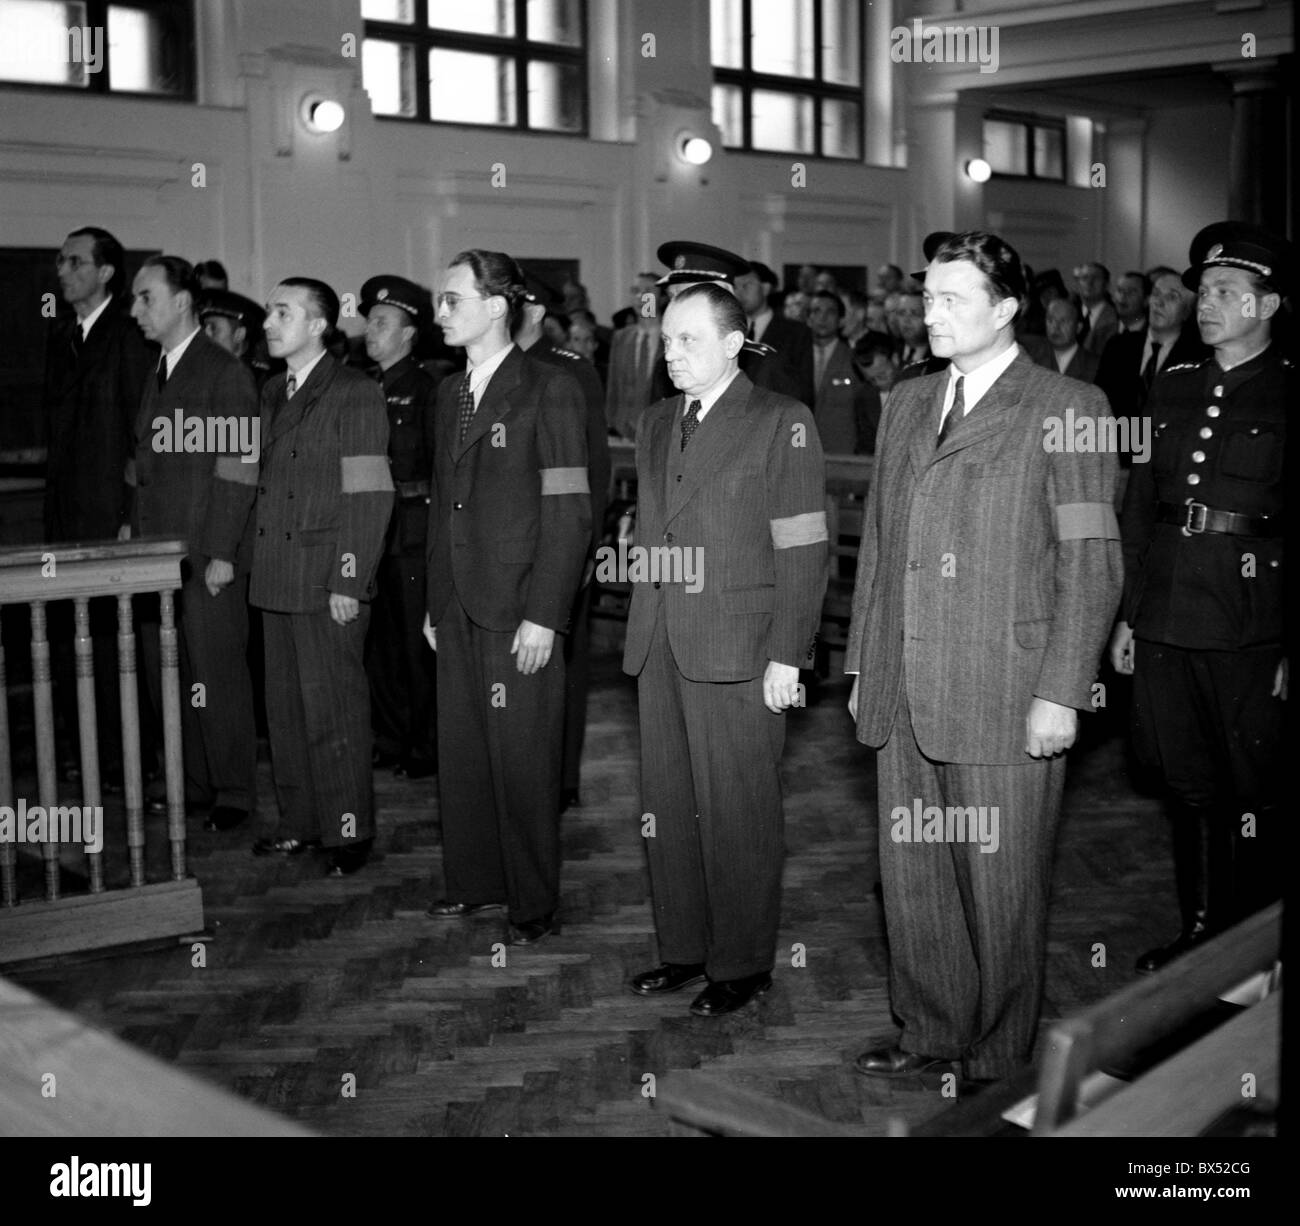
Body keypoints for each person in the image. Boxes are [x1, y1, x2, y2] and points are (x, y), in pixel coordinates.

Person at [846, 230, 1122, 1085]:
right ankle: (929, 1029)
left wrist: (1063, 690)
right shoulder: (905, 403)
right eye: (926, 297)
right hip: (904, 684)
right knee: (916, 876)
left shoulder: (1068, 403)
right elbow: (882, 551)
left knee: (1001, 890)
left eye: (951, 298)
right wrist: (862, 667)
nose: (930, 313)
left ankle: (1001, 1057)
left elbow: (1092, 559)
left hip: (1006, 687)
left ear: (1005, 310)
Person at [624, 282, 827, 1017]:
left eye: (689, 340)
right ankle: (684, 947)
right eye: (666, 340)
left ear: (734, 342)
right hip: (661, 640)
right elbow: (654, 530)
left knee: (738, 809)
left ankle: (741, 964)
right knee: (669, 807)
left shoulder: (781, 421)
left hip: (741, 648)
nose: (672, 355)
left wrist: (788, 655)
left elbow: (805, 549)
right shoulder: (653, 422)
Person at [1111, 221, 1291, 973]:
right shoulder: (1174, 384)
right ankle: (1202, 933)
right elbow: (1142, 502)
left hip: (1251, 624)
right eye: (1203, 290)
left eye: (1226, 292)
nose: (1206, 302)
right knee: (1186, 783)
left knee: (1253, 787)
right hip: (1168, 616)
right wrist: (1126, 614)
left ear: (1268, 303)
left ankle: (1255, 948)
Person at [423, 250, 591, 946]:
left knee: (523, 755)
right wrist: (435, 599)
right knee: (463, 749)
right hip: (460, 600)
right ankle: (477, 880)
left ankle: (531, 897)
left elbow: (571, 511)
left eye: (452, 300)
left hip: (519, 602)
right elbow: (443, 507)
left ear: (496, 306)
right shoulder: (447, 393)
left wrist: (545, 614)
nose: (441, 312)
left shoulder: (549, 388)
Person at [249, 277, 394, 876]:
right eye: (268, 312)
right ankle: (300, 822)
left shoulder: (354, 392)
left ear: (318, 326)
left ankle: (347, 831)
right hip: (277, 576)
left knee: (333, 712)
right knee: (285, 714)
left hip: (326, 579)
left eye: (283, 312)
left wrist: (348, 579)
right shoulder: (270, 390)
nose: (268, 323)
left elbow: (370, 495)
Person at [125, 255, 259, 832]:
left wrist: (225, 551)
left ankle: (233, 789)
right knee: (169, 673)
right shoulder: (157, 368)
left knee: (216, 673)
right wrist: (132, 528)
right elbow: (145, 466)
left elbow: (238, 468)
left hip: (206, 554)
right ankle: (192, 779)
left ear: (182, 302)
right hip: (158, 554)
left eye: (146, 297)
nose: (136, 310)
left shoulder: (223, 372)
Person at [43, 226, 152, 786]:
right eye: (61, 261)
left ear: (107, 272)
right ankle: (80, 750)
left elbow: (142, 436)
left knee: (111, 648)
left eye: (75, 261)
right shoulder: (63, 336)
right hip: (64, 520)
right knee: (66, 640)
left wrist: (131, 516)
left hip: (110, 517)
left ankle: (122, 761)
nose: (63, 270)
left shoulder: (129, 336)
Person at [514, 269, 612, 813]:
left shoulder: (569, 371)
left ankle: (561, 777)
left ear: (533, 311)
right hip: (508, 548)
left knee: (564, 670)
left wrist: (582, 552)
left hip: (561, 543)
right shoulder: (493, 369)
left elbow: (592, 472)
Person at [359, 274, 441, 781]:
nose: (371, 331)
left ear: (409, 334)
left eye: (383, 323)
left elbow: (438, 470)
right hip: (372, 533)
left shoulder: (427, 389)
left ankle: (426, 746)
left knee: (416, 648)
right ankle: (390, 736)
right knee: (380, 646)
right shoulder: (364, 387)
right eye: (369, 321)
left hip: (412, 532)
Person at [806, 289, 881, 454]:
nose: (823, 318)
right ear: (808, 319)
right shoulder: (795, 359)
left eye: (830, 312)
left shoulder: (854, 359)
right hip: (800, 451)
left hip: (840, 455)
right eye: (816, 311)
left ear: (841, 320)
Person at [734, 260, 815, 406]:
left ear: (765, 288)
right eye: (735, 287)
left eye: (746, 285)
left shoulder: (796, 333)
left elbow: (804, 389)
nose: (739, 292)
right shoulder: (729, 331)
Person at [1045, 295, 1100, 382]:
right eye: (1051, 320)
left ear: (1078, 327)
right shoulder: (1031, 356)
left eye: (1063, 321)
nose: (1055, 327)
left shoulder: (1094, 366)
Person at [1073, 261, 1119, 355]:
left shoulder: (1117, 316)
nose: (1089, 282)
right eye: (1084, 278)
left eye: (1096, 278)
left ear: (1106, 285)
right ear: (1077, 284)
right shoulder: (1070, 312)